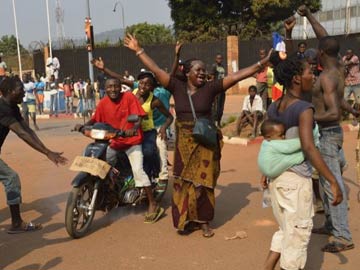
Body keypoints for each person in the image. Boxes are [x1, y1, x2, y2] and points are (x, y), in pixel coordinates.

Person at [124, 34, 272, 237]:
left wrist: (260, 65)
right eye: (198, 70)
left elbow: (236, 76)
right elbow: (157, 71)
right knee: (183, 181)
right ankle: (185, 219)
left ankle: (203, 221)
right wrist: (138, 50)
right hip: (184, 143)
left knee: (204, 181)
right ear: (187, 73)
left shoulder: (211, 88)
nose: (202, 74)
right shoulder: (176, 86)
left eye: (204, 70)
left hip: (205, 142)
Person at [262, 54, 343, 270]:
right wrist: (332, 181)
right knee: (297, 238)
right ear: (297, 78)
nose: (313, 75)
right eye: (309, 72)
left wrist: (265, 173)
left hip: (277, 179)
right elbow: (309, 146)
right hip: (296, 181)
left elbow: (270, 142)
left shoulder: (274, 106)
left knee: (286, 230)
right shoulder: (304, 108)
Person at [298, 5, 354, 253]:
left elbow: (333, 112)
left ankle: (342, 236)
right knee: (325, 181)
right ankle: (331, 225)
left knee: (333, 183)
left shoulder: (327, 77)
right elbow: (324, 38)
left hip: (329, 135)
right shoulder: (338, 67)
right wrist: (309, 15)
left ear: (320, 53)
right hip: (332, 135)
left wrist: (309, 117)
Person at [74, 77, 164, 223]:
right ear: (105, 88)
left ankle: (153, 203)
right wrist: (82, 126)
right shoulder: (103, 102)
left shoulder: (128, 97)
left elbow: (139, 117)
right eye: (109, 87)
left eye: (116, 86)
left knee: (138, 170)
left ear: (120, 87)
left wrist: (134, 129)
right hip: (114, 142)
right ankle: (109, 193)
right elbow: (95, 119)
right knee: (103, 164)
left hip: (132, 142)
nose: (113, 89)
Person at [0, 76, 67, 234]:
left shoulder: (12, 108)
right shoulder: (2, 108)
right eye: (20, 89)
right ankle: (16, 223)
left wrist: (47, 150)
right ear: (9, 92)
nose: (24, 92)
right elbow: (22, 133)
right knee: (11, 178)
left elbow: (28, 131)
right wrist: (47, 153)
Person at [132, 71, 174, 181]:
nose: (143, 86)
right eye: (141, 83)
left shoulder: (156, 100)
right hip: (132, 130)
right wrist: (104, 69)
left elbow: (170, 117)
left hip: (149, 129)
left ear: (152, 87)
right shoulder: (132, 94)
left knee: (151, 150)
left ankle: (160, 175)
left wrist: (164, 128)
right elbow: (119, 80)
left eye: (147, 84)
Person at [210, 53, 226, 127]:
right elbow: (212, 78)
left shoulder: (222, 67)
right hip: (217, 89)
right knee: (216, 107)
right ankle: (215, 123)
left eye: (220, 58)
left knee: (221, 107)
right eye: (218, 58)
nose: (219, 60)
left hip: (222, 89)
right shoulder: (214, 66)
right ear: (215, 59)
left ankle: (219, 122)